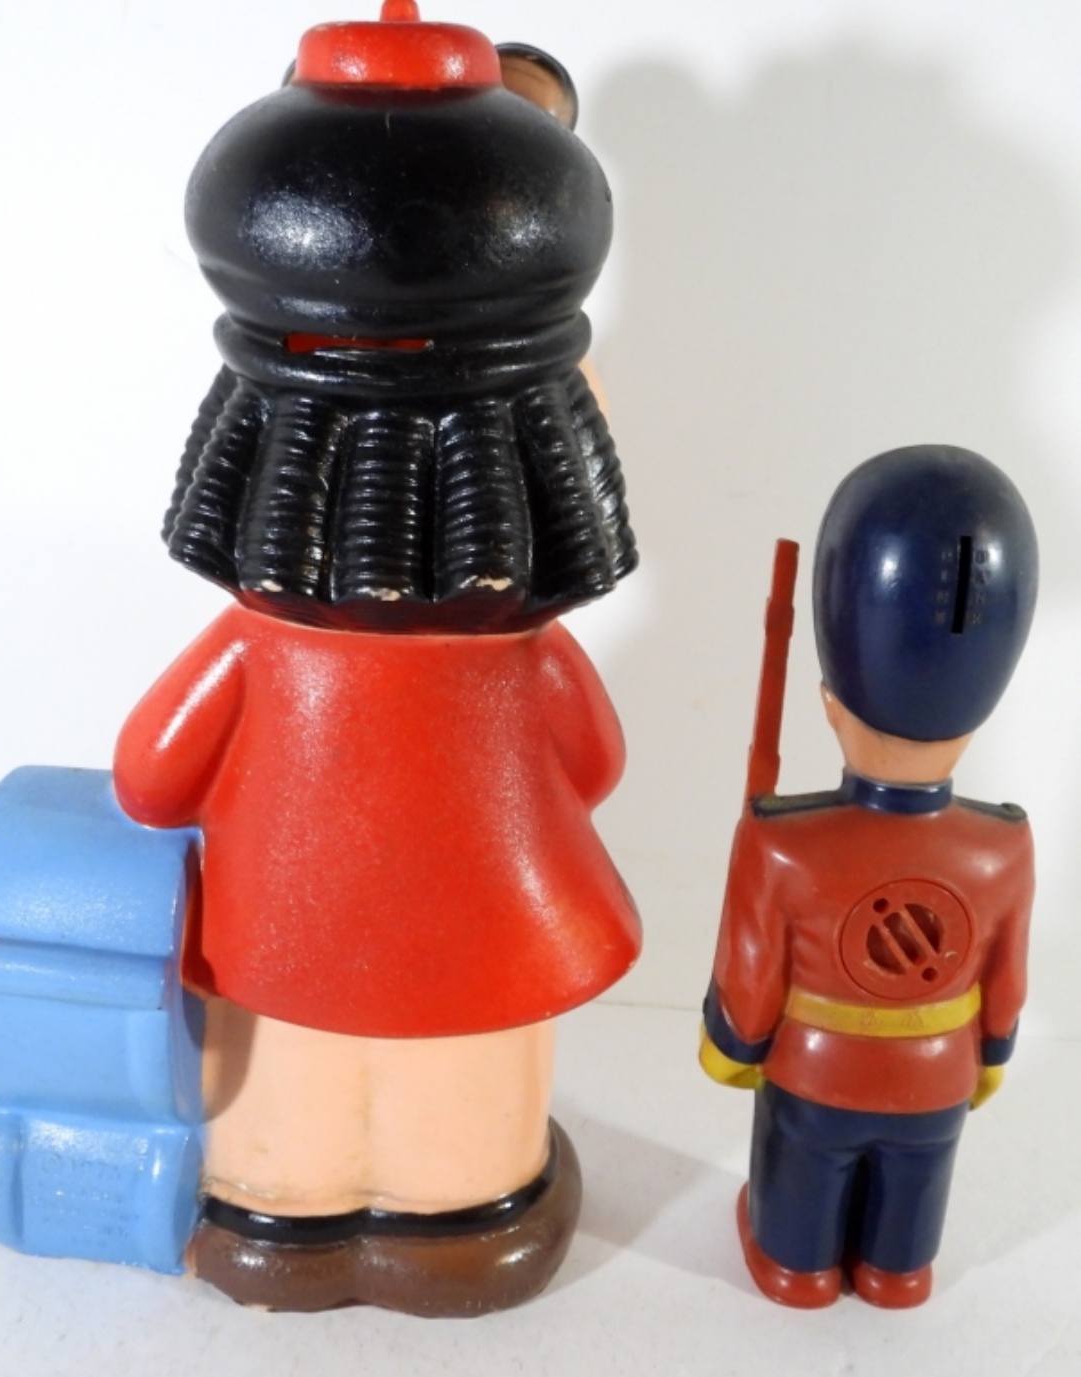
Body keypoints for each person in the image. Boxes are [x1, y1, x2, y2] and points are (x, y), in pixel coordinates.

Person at [114, 1, 639, 1316]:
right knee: (461, 1097)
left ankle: (280, 1217)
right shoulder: (520, 660)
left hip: (278, 937)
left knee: (289, 1086)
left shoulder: (251, 650)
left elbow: (148, 778)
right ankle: (462, 1219)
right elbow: (595, 763)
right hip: (488, 924)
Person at [700, 444, 1038, 1308]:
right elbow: (1005, 980)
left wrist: (731, 1045)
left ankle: (797, 1264)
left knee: (801, 1176)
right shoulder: (1002, 846)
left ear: (829, 702)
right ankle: (896, 1269)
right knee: (915, 1182)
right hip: (940, 1071)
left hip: (814, 1071)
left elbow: (750, 978)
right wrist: (989, 1055)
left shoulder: (783, 843)